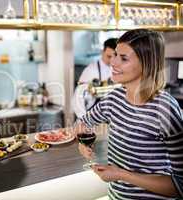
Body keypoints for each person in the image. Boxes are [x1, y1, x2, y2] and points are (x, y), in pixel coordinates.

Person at [75, 29, 183, 199]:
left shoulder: (165, 109)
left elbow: (180, 186)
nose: (113, 62)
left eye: (123, 58)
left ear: (146, 63)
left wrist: (121, 174)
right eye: (115, 54)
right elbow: (83, 122)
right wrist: (83, 143)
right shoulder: (114, 99)